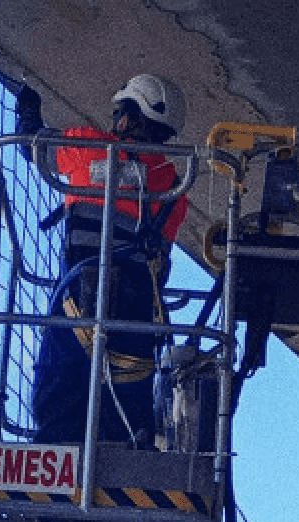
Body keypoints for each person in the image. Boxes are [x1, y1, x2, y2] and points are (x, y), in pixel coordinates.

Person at [13, 74, 189, 446]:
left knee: (56, 406)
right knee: (125, 426)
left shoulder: (88, 148)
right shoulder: (175, 189)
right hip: (137, 317)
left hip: (78, 304)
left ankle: (57, 474)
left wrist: (28, 112)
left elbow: (33, 148)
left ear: (129, 117)